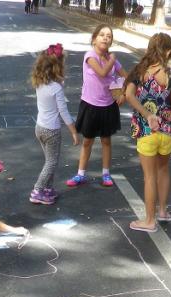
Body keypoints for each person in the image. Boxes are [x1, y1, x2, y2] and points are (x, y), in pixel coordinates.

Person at [124, 33, 171, 232]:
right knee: (163, 171)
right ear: (168, 51)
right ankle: (162, 211)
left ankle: (149, 221)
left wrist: (147, 114)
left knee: (149, 177)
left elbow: (128, 95)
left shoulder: (139, 71)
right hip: (168, 131)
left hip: (146, 131)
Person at [66, 24, 128, 188]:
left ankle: (106, 173)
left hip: (108, 105)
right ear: (94, 39)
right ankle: (80, 174)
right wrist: (112, 60)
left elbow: (127, 77)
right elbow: (102, 72)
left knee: (106, 141)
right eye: (102, 34)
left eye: (109, 36)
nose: (105, 38)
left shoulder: (113, 60)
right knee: (87, 141)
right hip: (90, 105)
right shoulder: (90, 56)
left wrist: (123, 93)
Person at [29, 43, 81, 205]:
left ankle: (47, 188)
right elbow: (63, 112)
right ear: (57, 68)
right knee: (51, 162)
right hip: (52, 130)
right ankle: (38, 190)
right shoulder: (56, 88)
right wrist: (73, 131)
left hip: (39, 127)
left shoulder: (39, 83)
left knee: (48, 160)